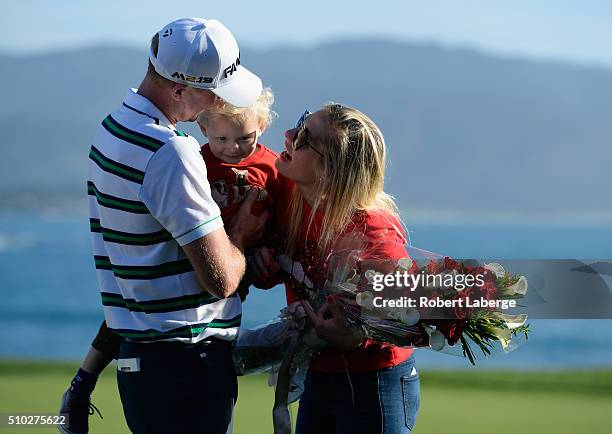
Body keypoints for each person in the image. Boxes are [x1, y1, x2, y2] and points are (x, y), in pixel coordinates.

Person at [59, 18, 268, 434]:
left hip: (142, 360)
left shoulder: (113, 128)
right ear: (179, 89)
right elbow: (221, 279)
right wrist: (242, 234)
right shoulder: (170, 151)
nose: (217, 104)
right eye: (213, 92)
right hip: (185, 367)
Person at [251, 104, 421, 433]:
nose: (287, 135)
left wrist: (358, 338)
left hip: (375, 382)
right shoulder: (289, 194)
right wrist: (264, 263)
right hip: (318, 373)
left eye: (303, 136)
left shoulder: (373, 235)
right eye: (299, 123)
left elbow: (408, 317)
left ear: (328, 171)